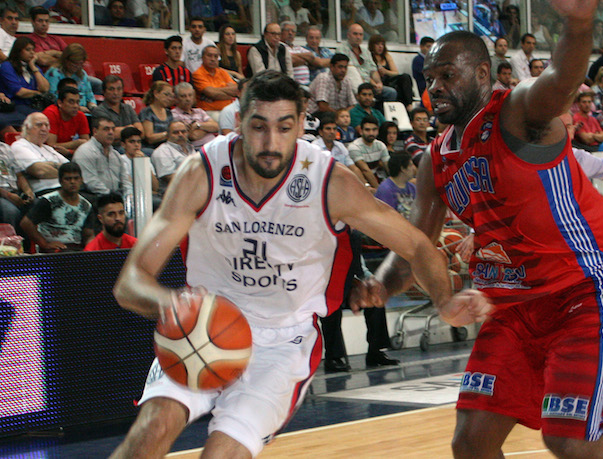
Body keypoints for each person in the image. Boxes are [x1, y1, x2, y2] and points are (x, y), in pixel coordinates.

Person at [110, 70, 466, 458]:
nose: (270, 143)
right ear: (239, 122)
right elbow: (130, 282)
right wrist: (169, 304)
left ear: (299, 126)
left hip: (282, 343)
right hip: (203, 326)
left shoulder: (329, 181)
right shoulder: (202, 172)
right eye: (258, 126)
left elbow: (418, 246)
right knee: (150, 432)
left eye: (283, 128)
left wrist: (444, 302)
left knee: (221, 454)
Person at [352, 11, 603, 456]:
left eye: (448, 75)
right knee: (470, 443)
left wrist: (578, 24)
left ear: (483, 74)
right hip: (509, 307)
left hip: (577, 291)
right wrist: (380, 285)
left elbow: (561, 81)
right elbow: (413, 249)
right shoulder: (436, 160)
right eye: (430, 78)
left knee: (568, 439)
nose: (434, 87)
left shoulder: (518, 113)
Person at [20, 162, 93, 252]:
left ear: (81, 180)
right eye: (68, 179)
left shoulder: (86, 205)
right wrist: (44, 244)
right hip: (54, 250)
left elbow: (89, 234)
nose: (72, 182)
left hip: (77, 249)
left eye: (76, 178)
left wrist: (90, 251)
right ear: (60, 181)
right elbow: (26, 224)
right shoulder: (49, 201)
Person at [73, 116, 132, 200]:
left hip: (115, 198)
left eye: (113, 129)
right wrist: (114, 198)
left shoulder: (115, 155)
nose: (111, 132)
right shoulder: (85, 152)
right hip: (94, 198)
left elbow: (125, 181)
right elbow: (91, 183)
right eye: (106, 129)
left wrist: (129, 196)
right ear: (95, 131)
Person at [337, 24, 396, 104]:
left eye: (361, 34)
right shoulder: (342, 50)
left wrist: (379, 83)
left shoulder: (366, 52)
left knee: (391, 92)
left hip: (369, 85)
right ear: (348, 35)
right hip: (352, 85)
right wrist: (373, 84)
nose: (358, 37)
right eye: (355, 34)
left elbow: (373, 71)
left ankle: (378, 111)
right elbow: (351, 72)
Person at [11, 112, 68, 195]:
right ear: (27, 128)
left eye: (47, 125)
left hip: (66, 189)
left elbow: (72, 169)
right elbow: (40, 171)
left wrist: (51, 165)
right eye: (39, 125)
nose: (44, 129)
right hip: (46, 191)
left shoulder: (48, 148)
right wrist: (61, 169)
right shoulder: (19, 145)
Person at [0, 36, 50, 116]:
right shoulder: (7, 66)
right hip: (15, 105)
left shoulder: (33, 67)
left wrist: (33, 67)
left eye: (33, 50)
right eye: (28, 50)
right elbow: (19, 92)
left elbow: (45, 88)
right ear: (18, 51)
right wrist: (38, 93)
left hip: (34, 105)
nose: (32, 53)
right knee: (42, 116)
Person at [312, 111, 366, 184]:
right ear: (321, 132)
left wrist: (365, 185)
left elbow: (353, 168)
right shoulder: (314, 147)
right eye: (328, 129)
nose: (332, 132)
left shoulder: (340, 146)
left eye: (334, 129)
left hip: (340, 182)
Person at [92, 75, 144, 149]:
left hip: (132, 147)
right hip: (111, 148)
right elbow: (108, 134)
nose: (116, 93)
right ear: (104, 92)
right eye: (111, 89)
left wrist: (121, 131)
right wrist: (131, 129)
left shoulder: (128, 108)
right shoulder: (99, 110)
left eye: (119, 89)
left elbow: (141, 131)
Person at [44, 43, 97, 113]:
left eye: (81, 63)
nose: (78, 66)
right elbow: (53, 98)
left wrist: (93, 106)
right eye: (75, 63)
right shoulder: (54, 73)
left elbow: (90, 96)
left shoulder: (82, 74)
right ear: (66, 60)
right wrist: (77, 108)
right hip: (64, 112)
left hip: (85, 112)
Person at [369, 34, 413, 109]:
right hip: (378, 83)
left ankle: (409, 104)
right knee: (393, 91)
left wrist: (385, 71)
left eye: (382, 44)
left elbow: (395, 72)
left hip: (389, 80)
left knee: (405, 77)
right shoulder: (369, 56)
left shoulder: (386, 56)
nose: (380, 47)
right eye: (377, 44)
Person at [150, 120, 195, 194]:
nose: (180, 135)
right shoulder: (162, 151)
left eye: (183, 132)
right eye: (175, 132)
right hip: (173, 193)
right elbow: (169, 177)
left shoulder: (191, 149)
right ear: (167, 135)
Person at [42, 86, 90, 157]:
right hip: (46, 153)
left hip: (68, 154)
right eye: (71, 102)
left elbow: (87, 146)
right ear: (60, 103)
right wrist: (76, 143)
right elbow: (51, 145)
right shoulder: (51, 113)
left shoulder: (80, 116)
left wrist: (70, 152)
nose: (76, 106)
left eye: (77, 102)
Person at [192, 45, 239, 113]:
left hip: (229, 110)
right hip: (208, 111)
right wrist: (230, 94)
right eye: (209, 55)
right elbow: (212, 93)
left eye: (216, 56)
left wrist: (215, 90)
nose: (213, 59)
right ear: (202, 57)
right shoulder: (197, 74)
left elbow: (236, 90)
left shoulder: (223, 72)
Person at [171, 82, 218, 149]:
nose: (188, 99)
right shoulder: (174, 114)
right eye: (183, 96)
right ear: (176, 98)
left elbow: (216, 127)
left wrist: (197, 125)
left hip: (214, 145)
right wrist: (208, 129)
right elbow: (193, 136)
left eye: (190, 95)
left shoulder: (199, 111)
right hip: (198, 149)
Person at [348, 115, 388, 188]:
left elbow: (388, 166)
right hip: (358, 183)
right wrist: (379, 191)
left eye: (374, 130)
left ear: (378, 131)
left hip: (376, 179)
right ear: (361, 131)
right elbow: (365, 170)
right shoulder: (354, 147)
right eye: (367, 130)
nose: (371, 133)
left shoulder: (381, 145)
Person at [374, 153, 416, 218]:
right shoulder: (386, 190)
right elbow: (387, 217)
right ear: (403, 169)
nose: (414, 168)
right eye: (411, 165)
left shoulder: (412, 187)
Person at [139, 80, 174, 149]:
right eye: (166, 95)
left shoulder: (168, 113)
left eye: (170, 96)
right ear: (156, 94)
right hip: (151, 148)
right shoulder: (147, 112)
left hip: (167, 148)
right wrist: (168, 134)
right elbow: (149, 138)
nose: (169, 99)